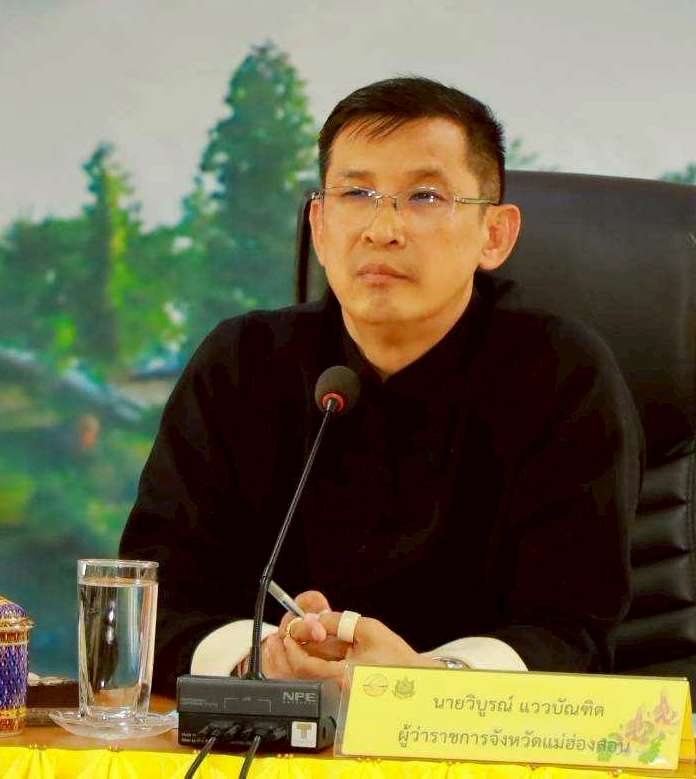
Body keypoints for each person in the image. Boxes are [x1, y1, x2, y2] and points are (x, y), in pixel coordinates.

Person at [120, 77, 643, 694]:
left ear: (494, 234)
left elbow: (572, 629)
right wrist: (262, 660)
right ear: (319, 225)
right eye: (356, 194)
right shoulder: (241, 362)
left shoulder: (561, 374)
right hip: (272, 732)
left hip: (473, 738)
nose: (382, 229)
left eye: (424, 196)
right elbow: (154, 594)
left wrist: (427, 682)